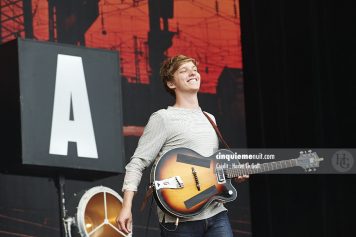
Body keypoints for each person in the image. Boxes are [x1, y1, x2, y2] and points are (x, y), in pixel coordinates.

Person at [116, 55, 247, 236]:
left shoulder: (210, 119)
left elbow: (209, 167)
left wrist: (233, 175)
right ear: (171, 83)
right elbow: (137, 163)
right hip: (178, 219)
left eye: (194, 69)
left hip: (216, 213)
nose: (192, 72)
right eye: (184, 70)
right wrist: (126, 207)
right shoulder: (163, 118)